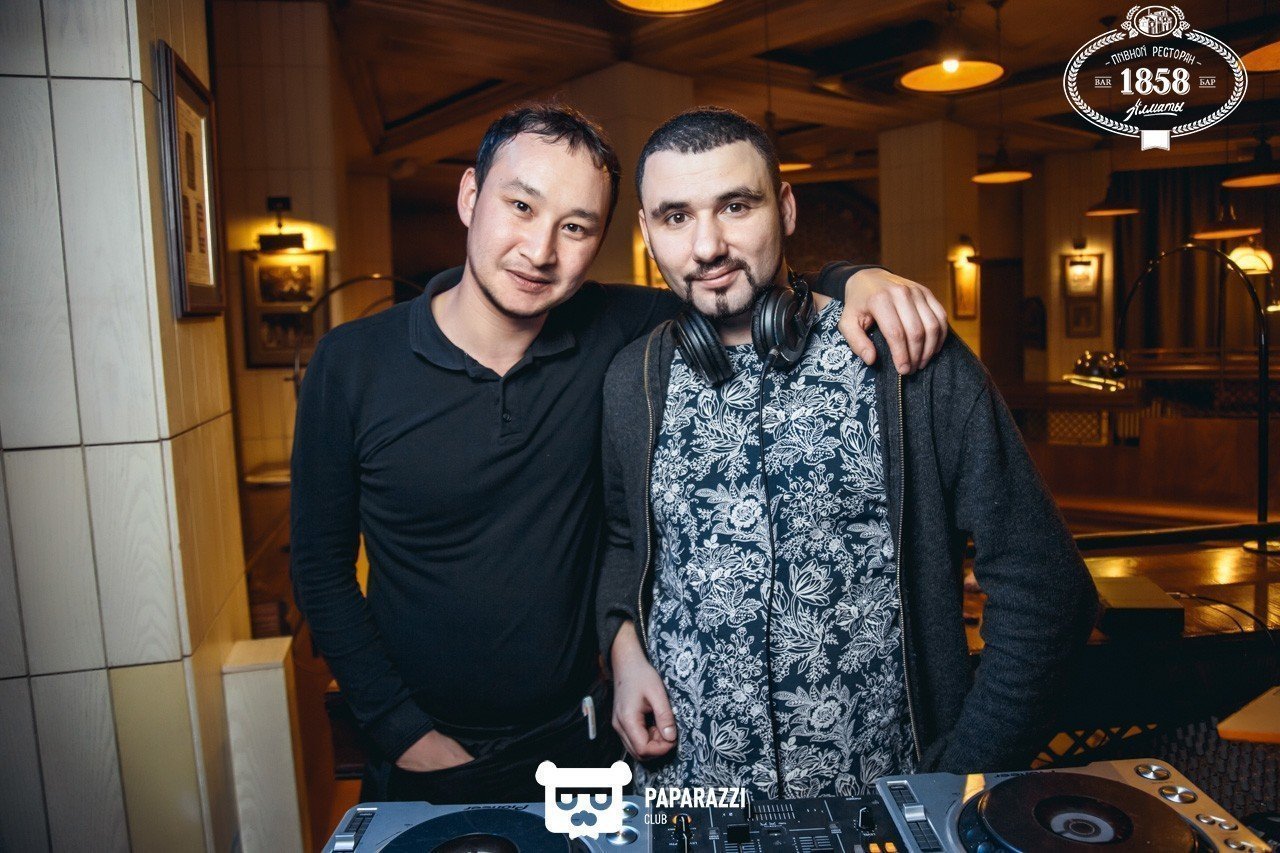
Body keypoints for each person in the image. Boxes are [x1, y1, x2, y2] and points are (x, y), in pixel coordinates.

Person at [290, 102, 949, 805]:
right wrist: (403, 733)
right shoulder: (351, 363)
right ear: (469, 196)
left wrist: (855, 279)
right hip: (422, 752)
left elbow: (741, 277)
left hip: (586, 739)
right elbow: (320, 569)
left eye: (575, 227)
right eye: (520, 206)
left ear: (605, 237)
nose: (541, 251)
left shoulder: (620, 332)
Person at [597, 107, 1099, 798]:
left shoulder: (909, 361)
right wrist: (624, 649)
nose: (707, 246)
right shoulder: (633, 380)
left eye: (736, 206)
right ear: (647, 229)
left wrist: (958, 778)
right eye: (676, 216)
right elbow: (623, 541)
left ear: (786, 208)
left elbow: (1049, 593)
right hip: (688, 794)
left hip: (879, 800)